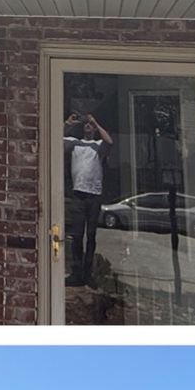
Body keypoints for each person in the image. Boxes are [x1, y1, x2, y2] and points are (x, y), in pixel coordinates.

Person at [61, 109, 114, 287]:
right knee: (77, 235)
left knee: (91, 235)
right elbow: (54, 138)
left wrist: (96, 122)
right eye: (86, 124)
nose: (88, 126)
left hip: (94, 195)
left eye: (90, 125)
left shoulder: (98, 145)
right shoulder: (75, 143)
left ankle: (87, 273)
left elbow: (109, 141)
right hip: (78, 194)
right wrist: (68, 124)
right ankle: (76, 273)